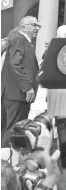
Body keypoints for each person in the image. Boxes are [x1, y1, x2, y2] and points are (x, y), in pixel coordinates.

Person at [1, 16, 41, 148]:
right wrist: (27, 87)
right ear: (23, 26)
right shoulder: (20, 39)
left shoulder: (21, 41)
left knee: (10, 129)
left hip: (14, 94)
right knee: (14, 129)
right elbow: (15, 63)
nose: (37, 28)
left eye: (38, 26)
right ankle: (5, 163)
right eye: (34, 25)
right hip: (17, 94)